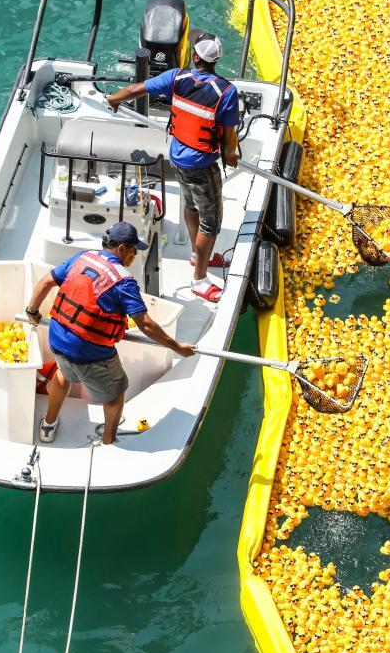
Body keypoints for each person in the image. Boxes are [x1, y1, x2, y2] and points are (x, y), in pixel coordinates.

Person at [24, 221, 194, 446]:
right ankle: (108, 441)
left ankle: (48, 424)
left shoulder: (82, 258)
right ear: (122, 248)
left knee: (64, 375)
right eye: (134, 250)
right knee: (115, 396)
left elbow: (46, 282)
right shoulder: (124, 282)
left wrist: (32, 311)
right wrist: (177, 347)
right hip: (88, 352)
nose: (134, 256)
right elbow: (145, 324)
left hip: (57, 337)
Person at [106, 34, 240, 303]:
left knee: (191, 205)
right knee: (211, 222)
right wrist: (231, 156)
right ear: (216, 60)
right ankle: (199, 280)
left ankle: (195, 255)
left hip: (177, 158)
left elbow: (135, 90)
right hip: (202, 165)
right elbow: (229, 139)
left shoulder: (176, 77)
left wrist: (114, 99)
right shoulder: (226, 92)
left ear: (195, 56)